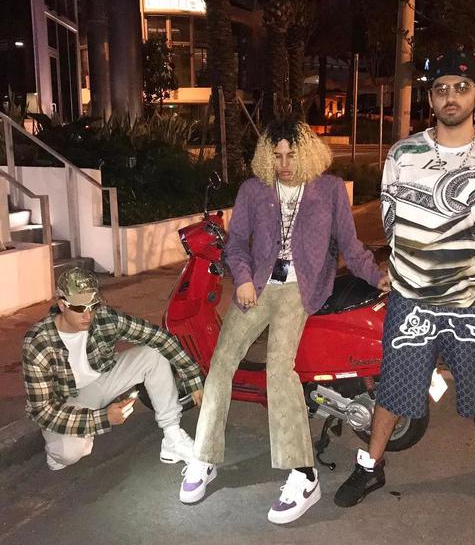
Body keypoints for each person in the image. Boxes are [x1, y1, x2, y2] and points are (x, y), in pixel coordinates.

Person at [334, 50, 475, 508]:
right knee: (394, 386)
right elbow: (391, 223)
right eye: (441, 89)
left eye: (461, 87)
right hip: (411, 299)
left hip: (473, 303)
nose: (450, 96)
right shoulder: (403, 155)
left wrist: (464, 246)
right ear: (431, 97)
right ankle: (371, 466)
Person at [179, 118, 389, 523]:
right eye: (276, 156)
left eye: (291, 155)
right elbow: (236, 245)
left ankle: (304, 474)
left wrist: (374, 274)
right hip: (258, 285)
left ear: (307, 153)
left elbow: (349, 245)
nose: (284, 164)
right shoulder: (253, 190)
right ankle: (204, 457)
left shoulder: (329, 189)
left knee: (279, 370)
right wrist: (243, 278)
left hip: (300, 289)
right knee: (220, 363)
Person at [22, 267, 204, 471]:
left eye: (93, 305)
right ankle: (59, 447)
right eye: (80, 308)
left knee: (154, 353)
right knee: (69, 453)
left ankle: (173, 438)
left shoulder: (102, 317)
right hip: (65, 401)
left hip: (103, 378)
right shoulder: (39, 342)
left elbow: (159, 337)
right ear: (62, 305)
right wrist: (101, 419)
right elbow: (42, 410)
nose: (88, 315)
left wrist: (192, 377)